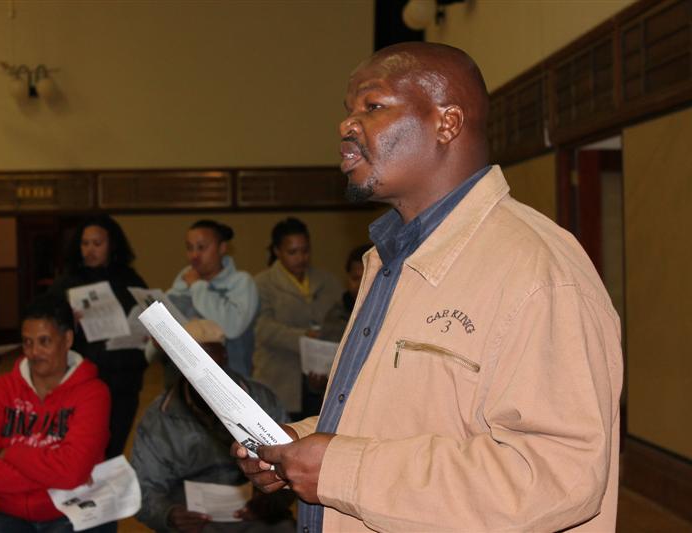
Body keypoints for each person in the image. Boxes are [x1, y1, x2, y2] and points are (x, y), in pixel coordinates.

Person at [234, 42, 623, 532]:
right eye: (349, 109)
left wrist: (340, 469)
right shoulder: (389, 259)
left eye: (372, 106)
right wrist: (301, 445)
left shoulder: (538, 271)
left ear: (447, 123)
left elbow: (556, 475)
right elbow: (403, 419)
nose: (346, 125)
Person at [0, 294, 111, 532]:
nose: (34, 352)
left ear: (67, 339)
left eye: (44, 341)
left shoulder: (93, 393)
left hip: (74, 510)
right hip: (11, 514)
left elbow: (71, 472)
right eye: (27, 342)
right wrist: (58, 475)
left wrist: (11, 454)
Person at [131, 319, 294, 533]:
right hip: (192, 516)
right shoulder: (159, 418)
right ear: (180, 365)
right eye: (193, 359)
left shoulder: (261, 400)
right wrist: (169, 514)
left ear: (224, 356)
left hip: (256, 509)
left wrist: (274, 501)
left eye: (209, 356)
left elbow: (292, 462)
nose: (203, 368)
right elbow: (142, 487)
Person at [48, 214, 147, 459]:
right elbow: (47, 327)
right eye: (85, 243)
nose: (90, 250)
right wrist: (69, 323)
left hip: (125, 377)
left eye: (97, 243)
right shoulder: (67, 284)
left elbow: (144, 317)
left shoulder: (130, 280)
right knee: (85, 447)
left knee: (114, 446)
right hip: (84, 377)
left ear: (112, 245)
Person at [252, 217, 342, 419]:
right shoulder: (262, 283)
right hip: (280, 375)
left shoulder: (328, 281)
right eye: (292, 252)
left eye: (305, 250)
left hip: (321, 375)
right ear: (277, 251)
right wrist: (305, 337)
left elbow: (342, 320)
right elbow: (263, 327)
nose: (301, 258)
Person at [167, 220, 259, 378]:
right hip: (182, 380)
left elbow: (232, 327)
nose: (194, 255)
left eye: (202, 247)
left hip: (230, 380)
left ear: (222, 248)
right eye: (189, 248)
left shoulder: (241, 282)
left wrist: (197, 286)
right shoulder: (182, 282)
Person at [320, 244, 369, 343]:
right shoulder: (337, 315)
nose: (361, 286)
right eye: (355, 278)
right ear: (347, 278)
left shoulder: (392, 311)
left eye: (367, 279)